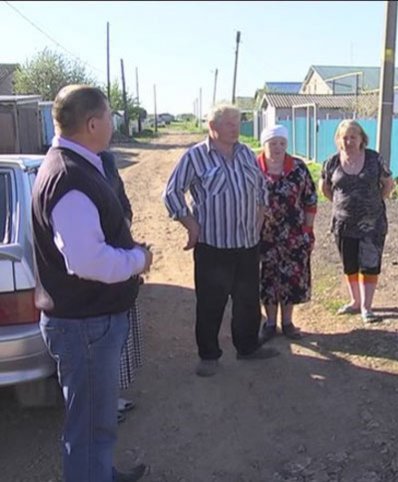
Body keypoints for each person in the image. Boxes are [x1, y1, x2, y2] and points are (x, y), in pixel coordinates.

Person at [32, 85, 151, 482]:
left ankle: (99, 472)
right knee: (87, 427)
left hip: (88, 321)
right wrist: (138, 260)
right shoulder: (68, 176)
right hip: (84, 324)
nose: (114, 123)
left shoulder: (79, 165)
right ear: (92, 123)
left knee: (97, 423)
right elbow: (87, 261)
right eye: (110, 115)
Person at [163, 104, 279, 378]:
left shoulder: (246, 154)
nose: (236, 127)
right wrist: (190, 226)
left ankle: (248, 347)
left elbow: (261, 187)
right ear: (212, 127)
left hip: (247, 245)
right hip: (213, 247)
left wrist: (260, 218)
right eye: (229, 123)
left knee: (248, 302)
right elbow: (171, 194)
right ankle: (208, 355)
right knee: (210, 303)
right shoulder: (195, 157)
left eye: (237, 122)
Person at [319, 119, 395, 323]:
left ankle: (366, 307)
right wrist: (342, 206)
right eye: (345, 137)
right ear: (338, 140)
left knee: (369, 264)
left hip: (372, 223)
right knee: (349, 264)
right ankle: (355, 301)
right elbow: (325, 189)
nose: (349, 141)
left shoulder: (374, 159)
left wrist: (374, 202)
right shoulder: (332, 162)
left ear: (362, 138)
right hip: (343, 223)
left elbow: (388, 184)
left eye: (353, 136)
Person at [256, 125, 317, 342]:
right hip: (263, 235)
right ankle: (270, 323)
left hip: (294, 234)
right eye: (273, 143)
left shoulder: (298, 168)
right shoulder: (254, 167)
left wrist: (308, 231)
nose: (278, 147)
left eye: (282, 143)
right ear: (264, 145)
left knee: (291, 278)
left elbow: (310, 200)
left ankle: (288, 322)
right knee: (268, 278)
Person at [99, 151, 144, 423]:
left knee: (119, 336)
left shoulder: (107, 161)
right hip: (102, 268)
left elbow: (125, 205)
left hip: (119, 258)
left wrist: (122, 227)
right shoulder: (74, 172)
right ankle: (104, 407)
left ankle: (112, 397)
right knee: (103, 338)